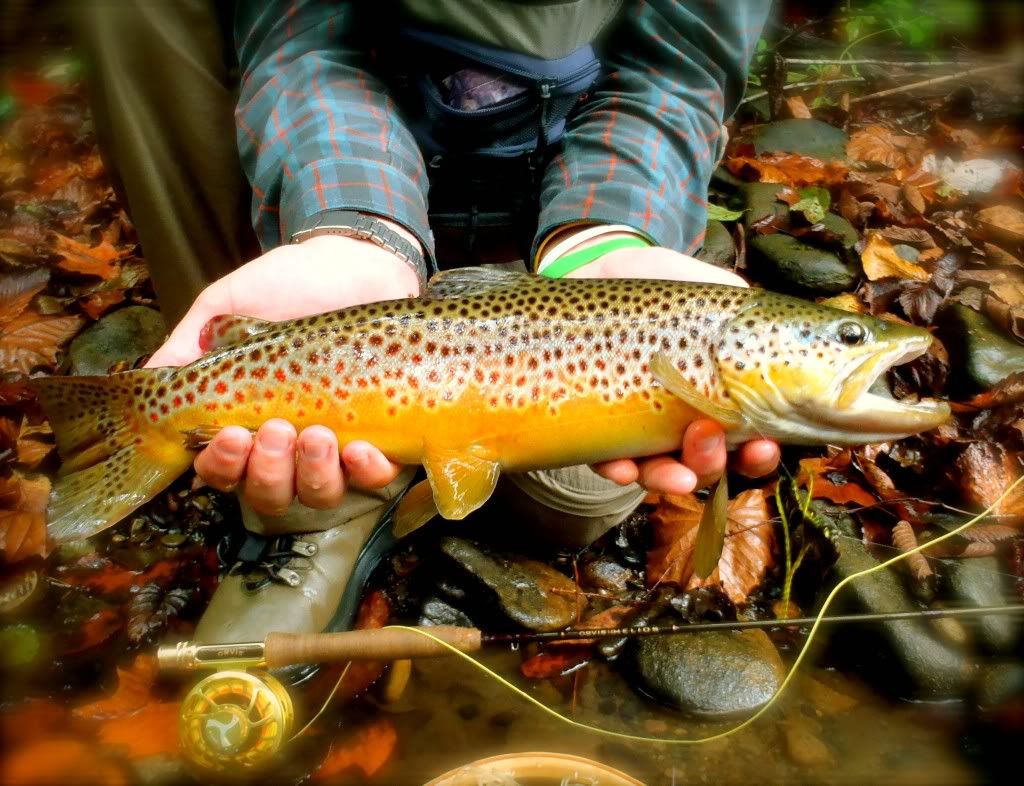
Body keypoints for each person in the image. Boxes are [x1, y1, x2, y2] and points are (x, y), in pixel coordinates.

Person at [74, 0, 778, 647]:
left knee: (574, 501)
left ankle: (369, 460)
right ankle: (297, 501)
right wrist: (355, 228)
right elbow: (302, 39)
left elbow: (677, 69)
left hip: (549, 237)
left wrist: (608, 241)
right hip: (333, 213)